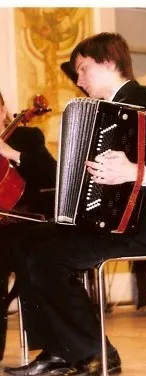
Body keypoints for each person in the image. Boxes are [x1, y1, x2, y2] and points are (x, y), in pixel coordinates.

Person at [3, 32, 146, 376]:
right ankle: (61, 348)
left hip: (141, 227)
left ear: (108, 63)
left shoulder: (144, 103)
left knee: (50, 258)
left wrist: (134, 171)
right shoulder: (105, 112)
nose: (79, 80)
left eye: (83, 69)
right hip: (110, 223)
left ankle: (97, 353)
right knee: (26, 243)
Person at [0, 91, 56, 361]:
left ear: (2, 111)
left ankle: (50, 348)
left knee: (26, 254)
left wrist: (9, 153)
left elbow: (53, 174)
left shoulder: (27, 138)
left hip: (24, 223)